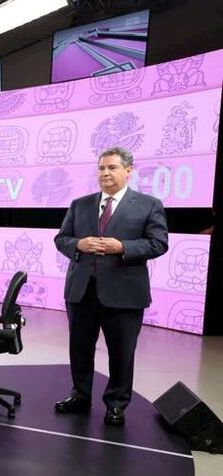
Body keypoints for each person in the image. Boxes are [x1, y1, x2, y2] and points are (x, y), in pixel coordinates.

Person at [53, 147, 168, 425]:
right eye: (101, 168)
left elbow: (159, 243)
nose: (105, 173)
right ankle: (80, 395)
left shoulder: (148, 204)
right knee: (79, 349)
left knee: (121, 353)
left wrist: (122, 247)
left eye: (112, 168)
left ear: (128, 170)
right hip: (81, 292)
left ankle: (116, 403)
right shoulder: (80, 204)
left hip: (124, 295)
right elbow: (62, 238)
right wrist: (77, 244)